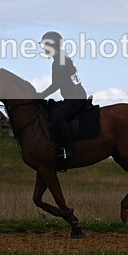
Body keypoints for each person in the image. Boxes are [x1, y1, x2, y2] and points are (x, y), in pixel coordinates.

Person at [38, 31, 87, 166]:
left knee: (59, 117)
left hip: (75, 98)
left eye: (45, 46)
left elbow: (57, 84)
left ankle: (69, 150)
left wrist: (41, 95)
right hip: (72, 96)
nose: (43, 49)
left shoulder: (59, 61)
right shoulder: (61, 58)